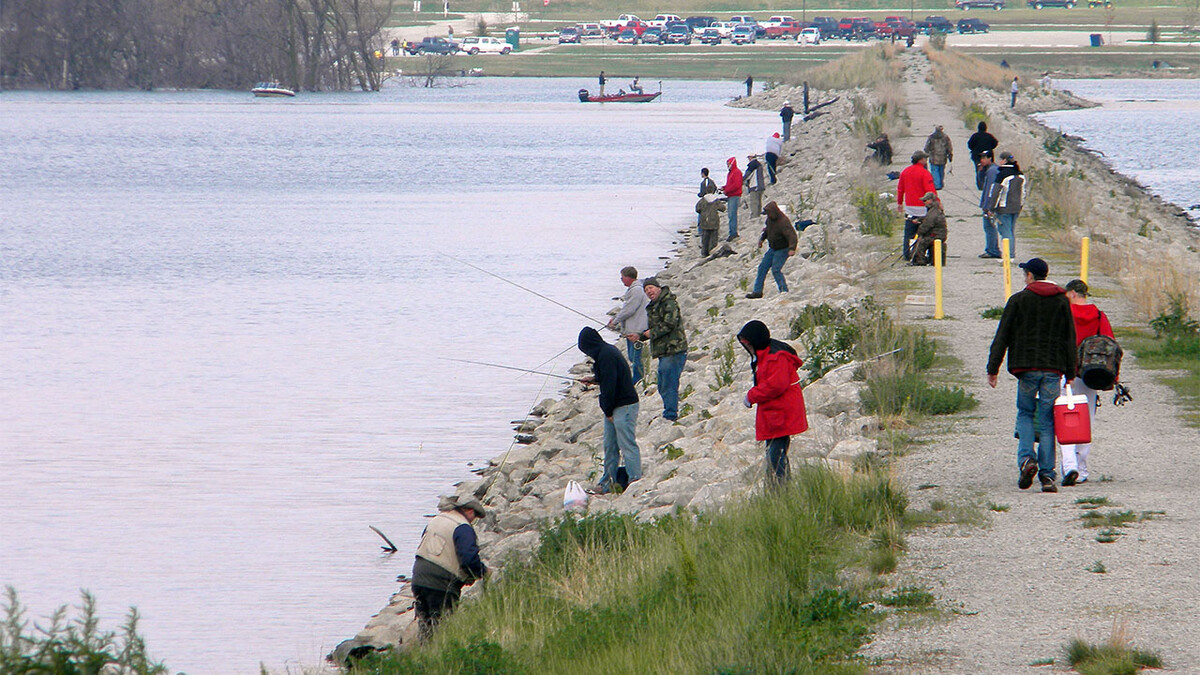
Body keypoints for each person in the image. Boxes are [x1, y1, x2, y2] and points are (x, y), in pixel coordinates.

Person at [987, 257, 1078, 493]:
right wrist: (1071, 371)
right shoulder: (1061, 301)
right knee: (1048, 421)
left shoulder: (1018, 300)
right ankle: (1048, 476)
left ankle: (1027, 460)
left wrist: (993, 368)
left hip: (1026, 368)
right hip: (1052, 368)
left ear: (1030, 276)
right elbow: (1070, 337)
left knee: (1026, 413)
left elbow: (1003, 335)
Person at [737, 320, 809, 482]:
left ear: (756, 341)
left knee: (775, 457)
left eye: (748, 344)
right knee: (776, 454)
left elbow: (776, 385)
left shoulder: (775, 358)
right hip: (775, 414)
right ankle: (781, 488)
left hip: (781, 415)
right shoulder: (766, 354)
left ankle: (778, 491)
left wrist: (751, 396)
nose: (748, 348)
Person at [411, 495, 488, 641]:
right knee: (442, 625)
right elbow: (469, 559)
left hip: (418, 577)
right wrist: (482, 572)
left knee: (426, 624)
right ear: (470, 511)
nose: (474, 520)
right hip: (441, 582)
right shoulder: (462, 527)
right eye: (475, 516)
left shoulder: (436, 520)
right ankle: (439, 655)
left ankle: (425, 654)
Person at [1059, 279, 1114, 486]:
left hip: (1065, 372)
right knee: (1085, 421)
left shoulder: (1065, 314)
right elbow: (1110, 345)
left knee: (1065, 418)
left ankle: (1069, 465)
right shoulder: (1099, 315)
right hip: (1090, 374)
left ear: (1072, 293)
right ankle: (1082, 469)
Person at [578, 327, 641, 493]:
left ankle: (635, 481)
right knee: (610, 446)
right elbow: (607, 378)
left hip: (624, 406)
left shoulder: (605, 356)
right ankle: (606, 483)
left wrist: (608, 412)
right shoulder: (605, 352)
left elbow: (610, 387)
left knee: (627, 444)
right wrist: (593, 379)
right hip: (616, 406)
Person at [632, 277, 687, 421]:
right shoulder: (654, 305)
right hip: (664, 351)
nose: (648, 291)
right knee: (662, 384)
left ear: (658, 288)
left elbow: (670, 323)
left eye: (650, 288)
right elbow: (653, 329)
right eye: (646, 290)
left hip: (674, 350)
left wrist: (651, 333)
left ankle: (670, 415)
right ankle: (669, 411)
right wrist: (640, 336)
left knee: (669, 384)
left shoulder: (669, 302)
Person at [607, 266, 649, 385]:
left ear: (628, 277)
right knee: (632, 356)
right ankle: (638, 378)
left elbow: (629, 309)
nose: (621, 280)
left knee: (635, 356)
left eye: (622, 277)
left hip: (636, 329)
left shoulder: (636, 290)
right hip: (632, 328)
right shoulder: (635, 288)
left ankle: (638, 379)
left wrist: (615, 321)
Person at [746, 201, 796, 299]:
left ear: (773, 212)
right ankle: (757, 292)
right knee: (762, 268)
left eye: (768, 213)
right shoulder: (770, 220)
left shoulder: (783, 221)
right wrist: (762, 239)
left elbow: (792, 236)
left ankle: (784, 290)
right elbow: (767, 230)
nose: (767, 215)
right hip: (773, 248)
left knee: (776, 269)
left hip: (783, 249)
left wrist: (792, 248)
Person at [896, 151, 937, 261]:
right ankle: (923, 254)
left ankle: (907, 253)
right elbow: (930, 191)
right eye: (925, 158)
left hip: (910, 207)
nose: (926, 160)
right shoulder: (924, 173)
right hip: (923, 208)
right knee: (926, 232)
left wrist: (899, 203)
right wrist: (936, 203)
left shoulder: (905, 172)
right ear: (921, 160)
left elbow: (900, 189)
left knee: (909, 233)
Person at [984, 151, 1025, 259]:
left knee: (1005, 232)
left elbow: (996, 193)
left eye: (1001, 159)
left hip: (1003, 208)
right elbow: (1023, 192)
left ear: (1004, 160)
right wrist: (1021, 206)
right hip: (1016, 208)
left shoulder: (1002, 175)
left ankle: (1009, 256)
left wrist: (991, 208)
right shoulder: (1020, 174)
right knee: (1011, 231)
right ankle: (1011, 254)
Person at [976, 150, 1002, 259]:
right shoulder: (989, 170)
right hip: (989, 204)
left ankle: (992, 250)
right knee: (989, 226)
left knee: (989, 227)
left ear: (990, 158)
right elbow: (981, 183)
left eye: (984, 158)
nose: (981, 160)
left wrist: (988, 206)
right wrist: (980, 171)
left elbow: (990, 191)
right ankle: (992, 249)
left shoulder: (992, 171)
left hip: (990, 205)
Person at [910, 191, 947, 266]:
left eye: (925, 200)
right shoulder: (935, 209)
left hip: (936, 235)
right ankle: (927, 260)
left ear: (930, 200)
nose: (924, 202)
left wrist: (919, 233)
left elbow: (927, 225)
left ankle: (920, 261)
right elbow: (928, 219)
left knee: (920, 243)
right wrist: (919, 219)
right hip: (938, 234)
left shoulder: (933, 211)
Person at [923, 125, 954, 190]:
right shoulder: (946, 137)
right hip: (943, 157)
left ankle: (937, 185)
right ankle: (941, 183)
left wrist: (926, 155)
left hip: (933, 157)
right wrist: (950, 154)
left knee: (934, 171)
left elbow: (926, 148)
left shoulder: (931, 137)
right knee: (941, 171)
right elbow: (949, 147)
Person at [695, 193, 727, 257]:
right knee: (714, 238)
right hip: (714, 221)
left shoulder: (702, 200)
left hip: (705, 221)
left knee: (705, 239)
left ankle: (704, 253)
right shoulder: (716, 200)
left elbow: (697, 209)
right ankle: (712, 251)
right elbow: (723, 208)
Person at [721, 157, 744, 240]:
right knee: (731, 215)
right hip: (731, 196)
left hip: (735, 196)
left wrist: (726, 191)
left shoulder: (737, 172)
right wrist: (724, 188)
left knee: (732, 215)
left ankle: (733, 233)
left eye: (729, 164)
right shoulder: (730, 173)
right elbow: (730, 184)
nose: (728, 166)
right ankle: (732, 232)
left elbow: (736, 185)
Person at [742, 154, 766, 218]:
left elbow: (747, 176)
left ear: (751, 157)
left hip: (755, 186)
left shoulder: (752, 165)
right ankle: (758, 215)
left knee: (754, 202)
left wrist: (740, 181)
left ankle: (754, 216)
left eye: (749, 157)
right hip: (761, 186)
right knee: (759, 202)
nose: (748, 159)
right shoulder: (758, 164)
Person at [697, 167, 718, 235]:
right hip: (712, 199)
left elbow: (702, 193)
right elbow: (715, 188)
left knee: (701, 215)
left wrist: (699, 194)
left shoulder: (703, 183)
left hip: (705, 200)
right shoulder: (711, 181)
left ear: (703, 173)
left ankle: (700, 231)